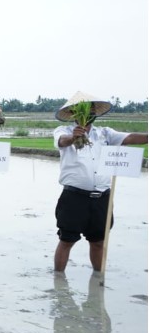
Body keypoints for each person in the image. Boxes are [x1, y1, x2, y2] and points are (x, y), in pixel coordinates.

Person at [51, 91, 147, 273]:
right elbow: (62, 142)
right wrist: (74, 137)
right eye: (84, 109)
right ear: (73, 113)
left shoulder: (105, 133)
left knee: (98, 241)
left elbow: (130, 138)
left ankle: (98, 279)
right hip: (74, 197)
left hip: (102, 198)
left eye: (92, 109)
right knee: (67, 240)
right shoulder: (63, 131)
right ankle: (59, 282)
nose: (89, 113)